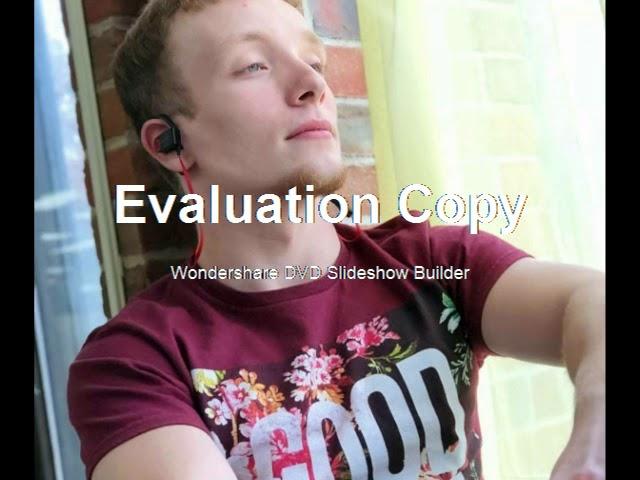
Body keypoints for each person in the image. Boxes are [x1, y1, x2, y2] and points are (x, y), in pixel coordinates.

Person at [67, 0, 605, 479]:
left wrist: (592, 448)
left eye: (315, 61)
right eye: (254, 65)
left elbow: (589, 302)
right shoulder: (136, 364)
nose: (313, 84)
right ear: (170, 143)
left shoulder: (434, 262)